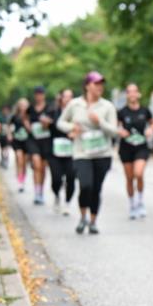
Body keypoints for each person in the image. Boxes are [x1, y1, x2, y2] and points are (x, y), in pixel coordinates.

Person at [56, 71, 119, 235]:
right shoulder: (75, 104)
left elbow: (114, 131)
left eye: (101, 84)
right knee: (85, 186)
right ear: (87, 86)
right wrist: (72, 128)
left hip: (102, 153)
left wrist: (100, 122)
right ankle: (83, 216)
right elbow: (60, 122)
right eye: (96, 84)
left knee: (96, 189)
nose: (100, 87)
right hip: (81, 152)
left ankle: (93, 221)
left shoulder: (107, 106)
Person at [116, 83, 153, 219]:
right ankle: (132, 204)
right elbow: (115, 126)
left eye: (134, 91)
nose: (132, 94)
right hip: (126, 148)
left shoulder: (145, 111)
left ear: (138, 94)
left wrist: (151, 129)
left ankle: (140, 201)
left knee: (138, 173)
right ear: (127, 95)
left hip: (141, 147)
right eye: (129, 92)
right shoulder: (122, 112)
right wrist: (120, 131)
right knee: (129, 178)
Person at [48, 89, 76, 215]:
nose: (68, 99)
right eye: (66, 96)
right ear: (61, 98)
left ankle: (68, 202)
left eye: (71, 97)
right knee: (56, 178)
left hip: (72, 150)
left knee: (71, 177)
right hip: (55, 149)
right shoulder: (54, 111)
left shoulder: (77, 112)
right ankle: (57, 195)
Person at [25, 86, 54, 205]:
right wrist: (28, 126)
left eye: (41, 94)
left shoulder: (49, 108)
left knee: (42, 168)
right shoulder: (30, 108)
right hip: (33, 139)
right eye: (37, 94)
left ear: (44, 95)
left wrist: (46, 123)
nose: (39, 96)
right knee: (36, 165)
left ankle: (41, 191)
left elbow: (53, 122)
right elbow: (25, 119)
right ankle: (36, 192)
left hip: (46, 140)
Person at [10, 98, 31, 192]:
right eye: (21, 105)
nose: (23, 107)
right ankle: (20, 182)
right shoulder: (15, 116)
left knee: (24, 163)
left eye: (25, 105)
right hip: (17, 140)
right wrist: (9, 134)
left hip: (27, 141)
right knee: (19, 159)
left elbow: (31, 129)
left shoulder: (30, 116)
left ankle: (23, 180)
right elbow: (9, 127)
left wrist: (26, 122)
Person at [0, 105, 12, 169]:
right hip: (1, 135)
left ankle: (6, 160)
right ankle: (2, 159)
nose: (6, 111)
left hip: (7, 135)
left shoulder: (10, 117)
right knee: (2, 148)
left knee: (6, 148)